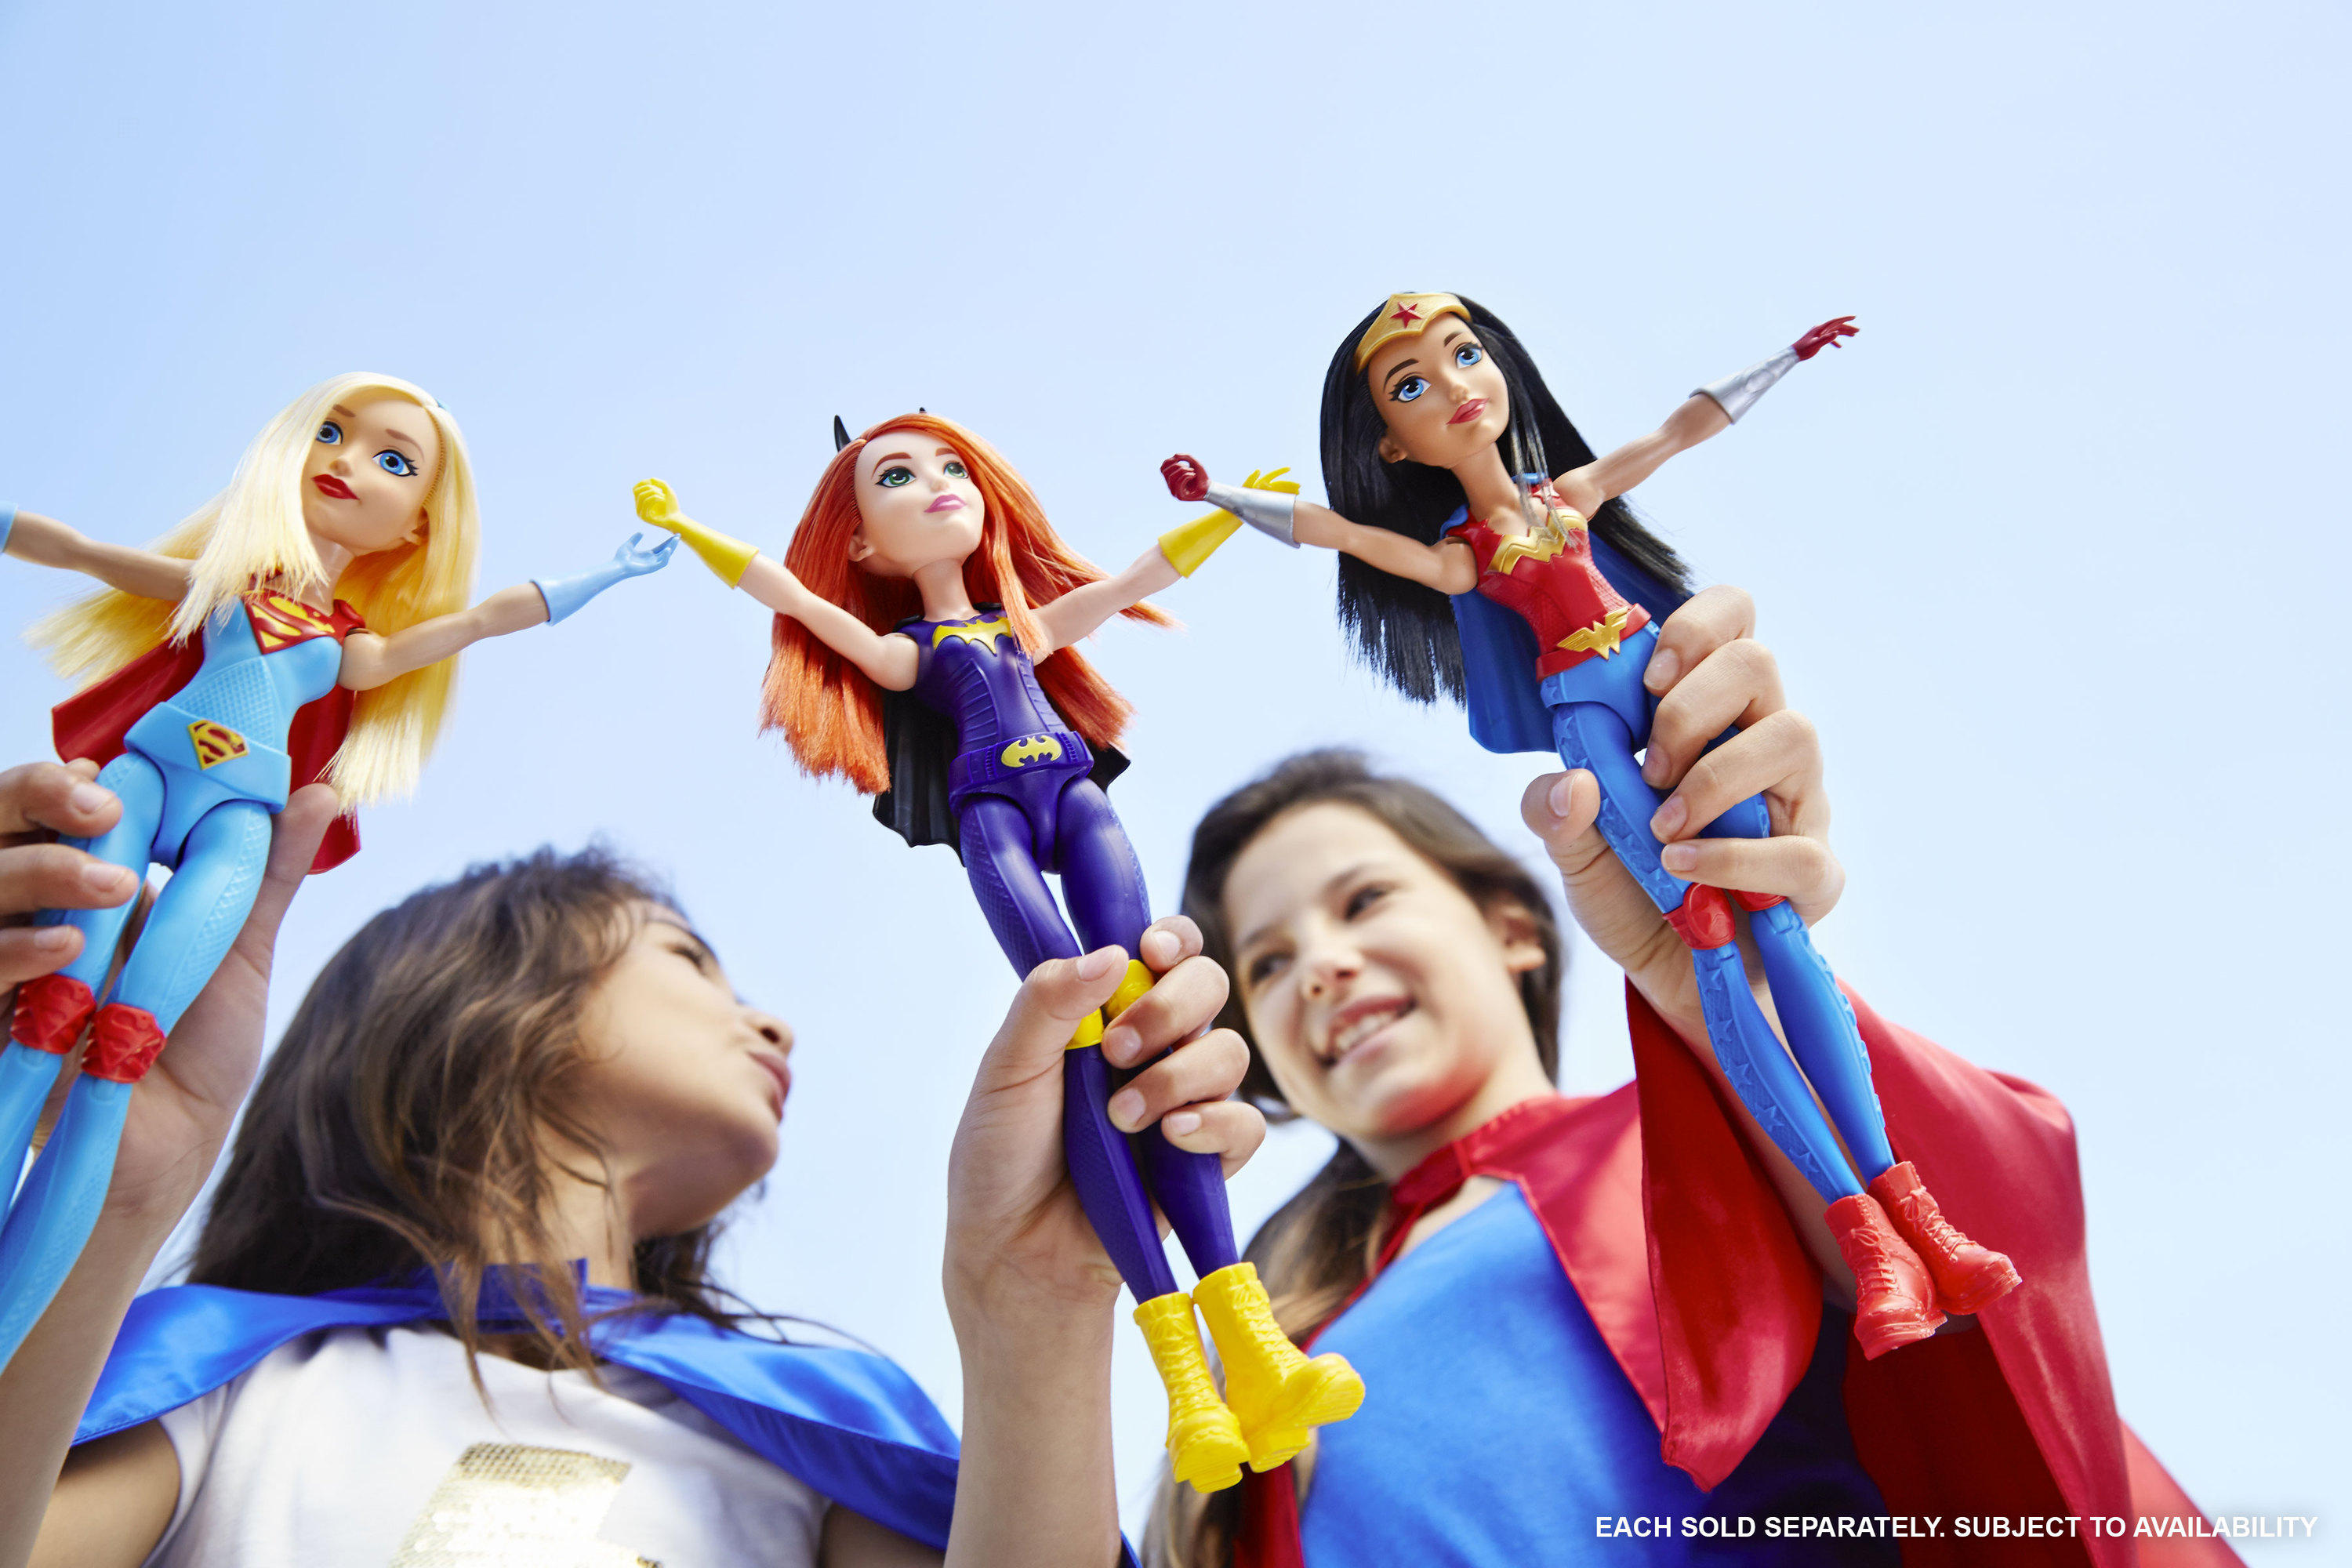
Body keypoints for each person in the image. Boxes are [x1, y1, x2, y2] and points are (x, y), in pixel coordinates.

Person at [1147, 593, 2239, 1566]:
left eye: (1364, 902)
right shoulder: (1250, 1336)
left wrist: (1732, 980)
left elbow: (1971, 1322)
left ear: (1513, 927)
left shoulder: (1695, 1125)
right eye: (1267, 963)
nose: (1321, 968)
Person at [0, 753, 1263, 1566]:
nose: (773, 1024)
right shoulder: (225, 1385)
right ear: (487, 1005)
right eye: (689, 960)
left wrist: (1036, 1305)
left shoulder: (821, 1436)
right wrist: (109, 1201)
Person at [1160, 296, 2015, 1363]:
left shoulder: (1565, 496)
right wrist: (1223, 498)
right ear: (1392, 444)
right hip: (1587, 714)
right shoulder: (1464, 552)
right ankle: (1867, 1235)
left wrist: (1786, 358)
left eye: (1464, 354)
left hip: (1650, 670)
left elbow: (1678, 430)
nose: (1454, 384)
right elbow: (1341, 534)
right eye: (1412, 384)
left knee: (1777, 924)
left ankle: (1915, 1213)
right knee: (1709, 931)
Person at [630, 413, 1359, 1493]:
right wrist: (691, 530)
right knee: (1081, 1033)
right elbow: (797, 602)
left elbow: (1133, 581)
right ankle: (1190, 1390)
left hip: (1073, 789)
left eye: (953, 467)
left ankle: (1258, 1353)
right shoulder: (909, 654)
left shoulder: (1023, 626)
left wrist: (1229, 512)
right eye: (898, 475)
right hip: (992, 814)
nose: (939, 484)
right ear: (862, 543)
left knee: (1148, 1026)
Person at [0, 373, 671, 1365]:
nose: (348, 464)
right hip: (141, 777)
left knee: (117, 1060)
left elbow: (479, 621)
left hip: (239, 815)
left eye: (393, 461)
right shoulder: (224, 584)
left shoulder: (353, 646)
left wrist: (604, 573)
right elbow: (82, 551)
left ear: (417, 525)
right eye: (331, 432)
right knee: (42, 1023)